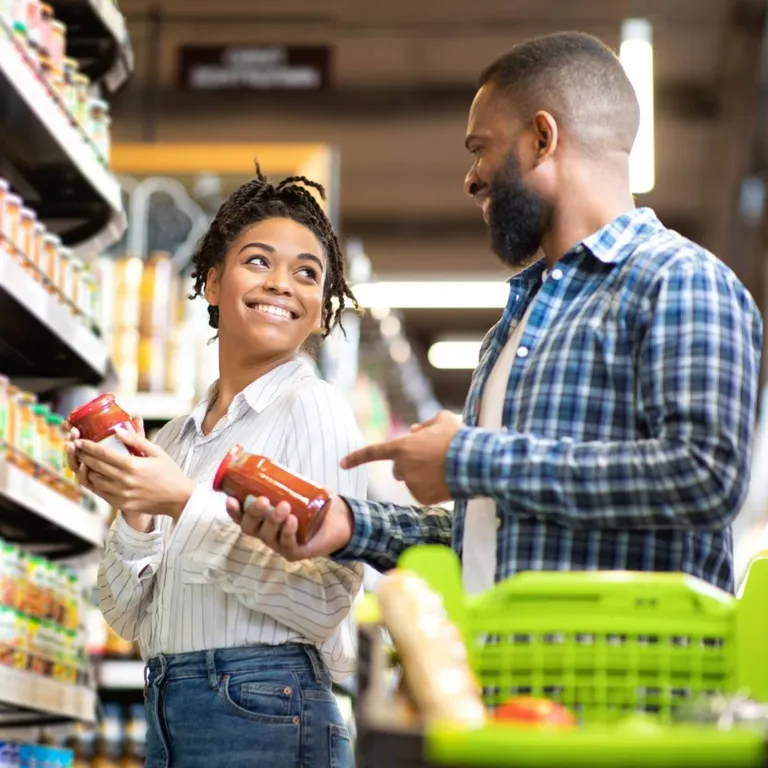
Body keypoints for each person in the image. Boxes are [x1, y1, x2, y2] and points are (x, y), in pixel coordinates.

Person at [228, 31, 763, 596]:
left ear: (541, 139)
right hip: (503, 651)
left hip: (627, 655)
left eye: (480, 148)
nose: (471, 177)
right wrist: (350, 524)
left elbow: (705, 476)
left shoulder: (679, 280)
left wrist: (468, 456)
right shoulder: (517, 324)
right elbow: (489, 536)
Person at [66, 169, 365, 768]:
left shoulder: (313, 409)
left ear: (321, 312)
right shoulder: (177, 439)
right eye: (258, 261)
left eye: (307, 273)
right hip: (170, 707)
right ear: (212, 283)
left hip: (267, 709)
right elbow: (125, 617)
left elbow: (325, 599)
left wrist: (182, 502)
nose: (281, 283)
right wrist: (134, 504)